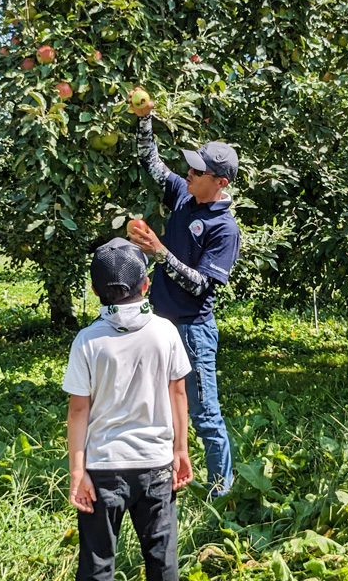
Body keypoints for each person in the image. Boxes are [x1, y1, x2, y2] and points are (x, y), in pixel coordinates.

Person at [127, 92, 241, 497]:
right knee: (157, 406)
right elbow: (152, 164)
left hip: (193, 331)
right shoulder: (183, 195)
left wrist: (160, 252)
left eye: (198, 170)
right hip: (159, 323)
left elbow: (201, 285)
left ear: (220, 182)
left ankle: (222, 492)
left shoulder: (225, 230)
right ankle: (163, 477)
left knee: (205, 414)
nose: (188, 173)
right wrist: (145, 119)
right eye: (190, 167)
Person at [64, 238, 194, 581]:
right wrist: (180, 450)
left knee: (97, 563)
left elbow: (78, 412)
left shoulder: (88, 341)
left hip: (104, 468)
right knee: (161, 559)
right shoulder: (165, 333)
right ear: (146, 283)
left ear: (94, 290)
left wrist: (78, 473)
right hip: (155, 464)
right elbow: (178, 393)